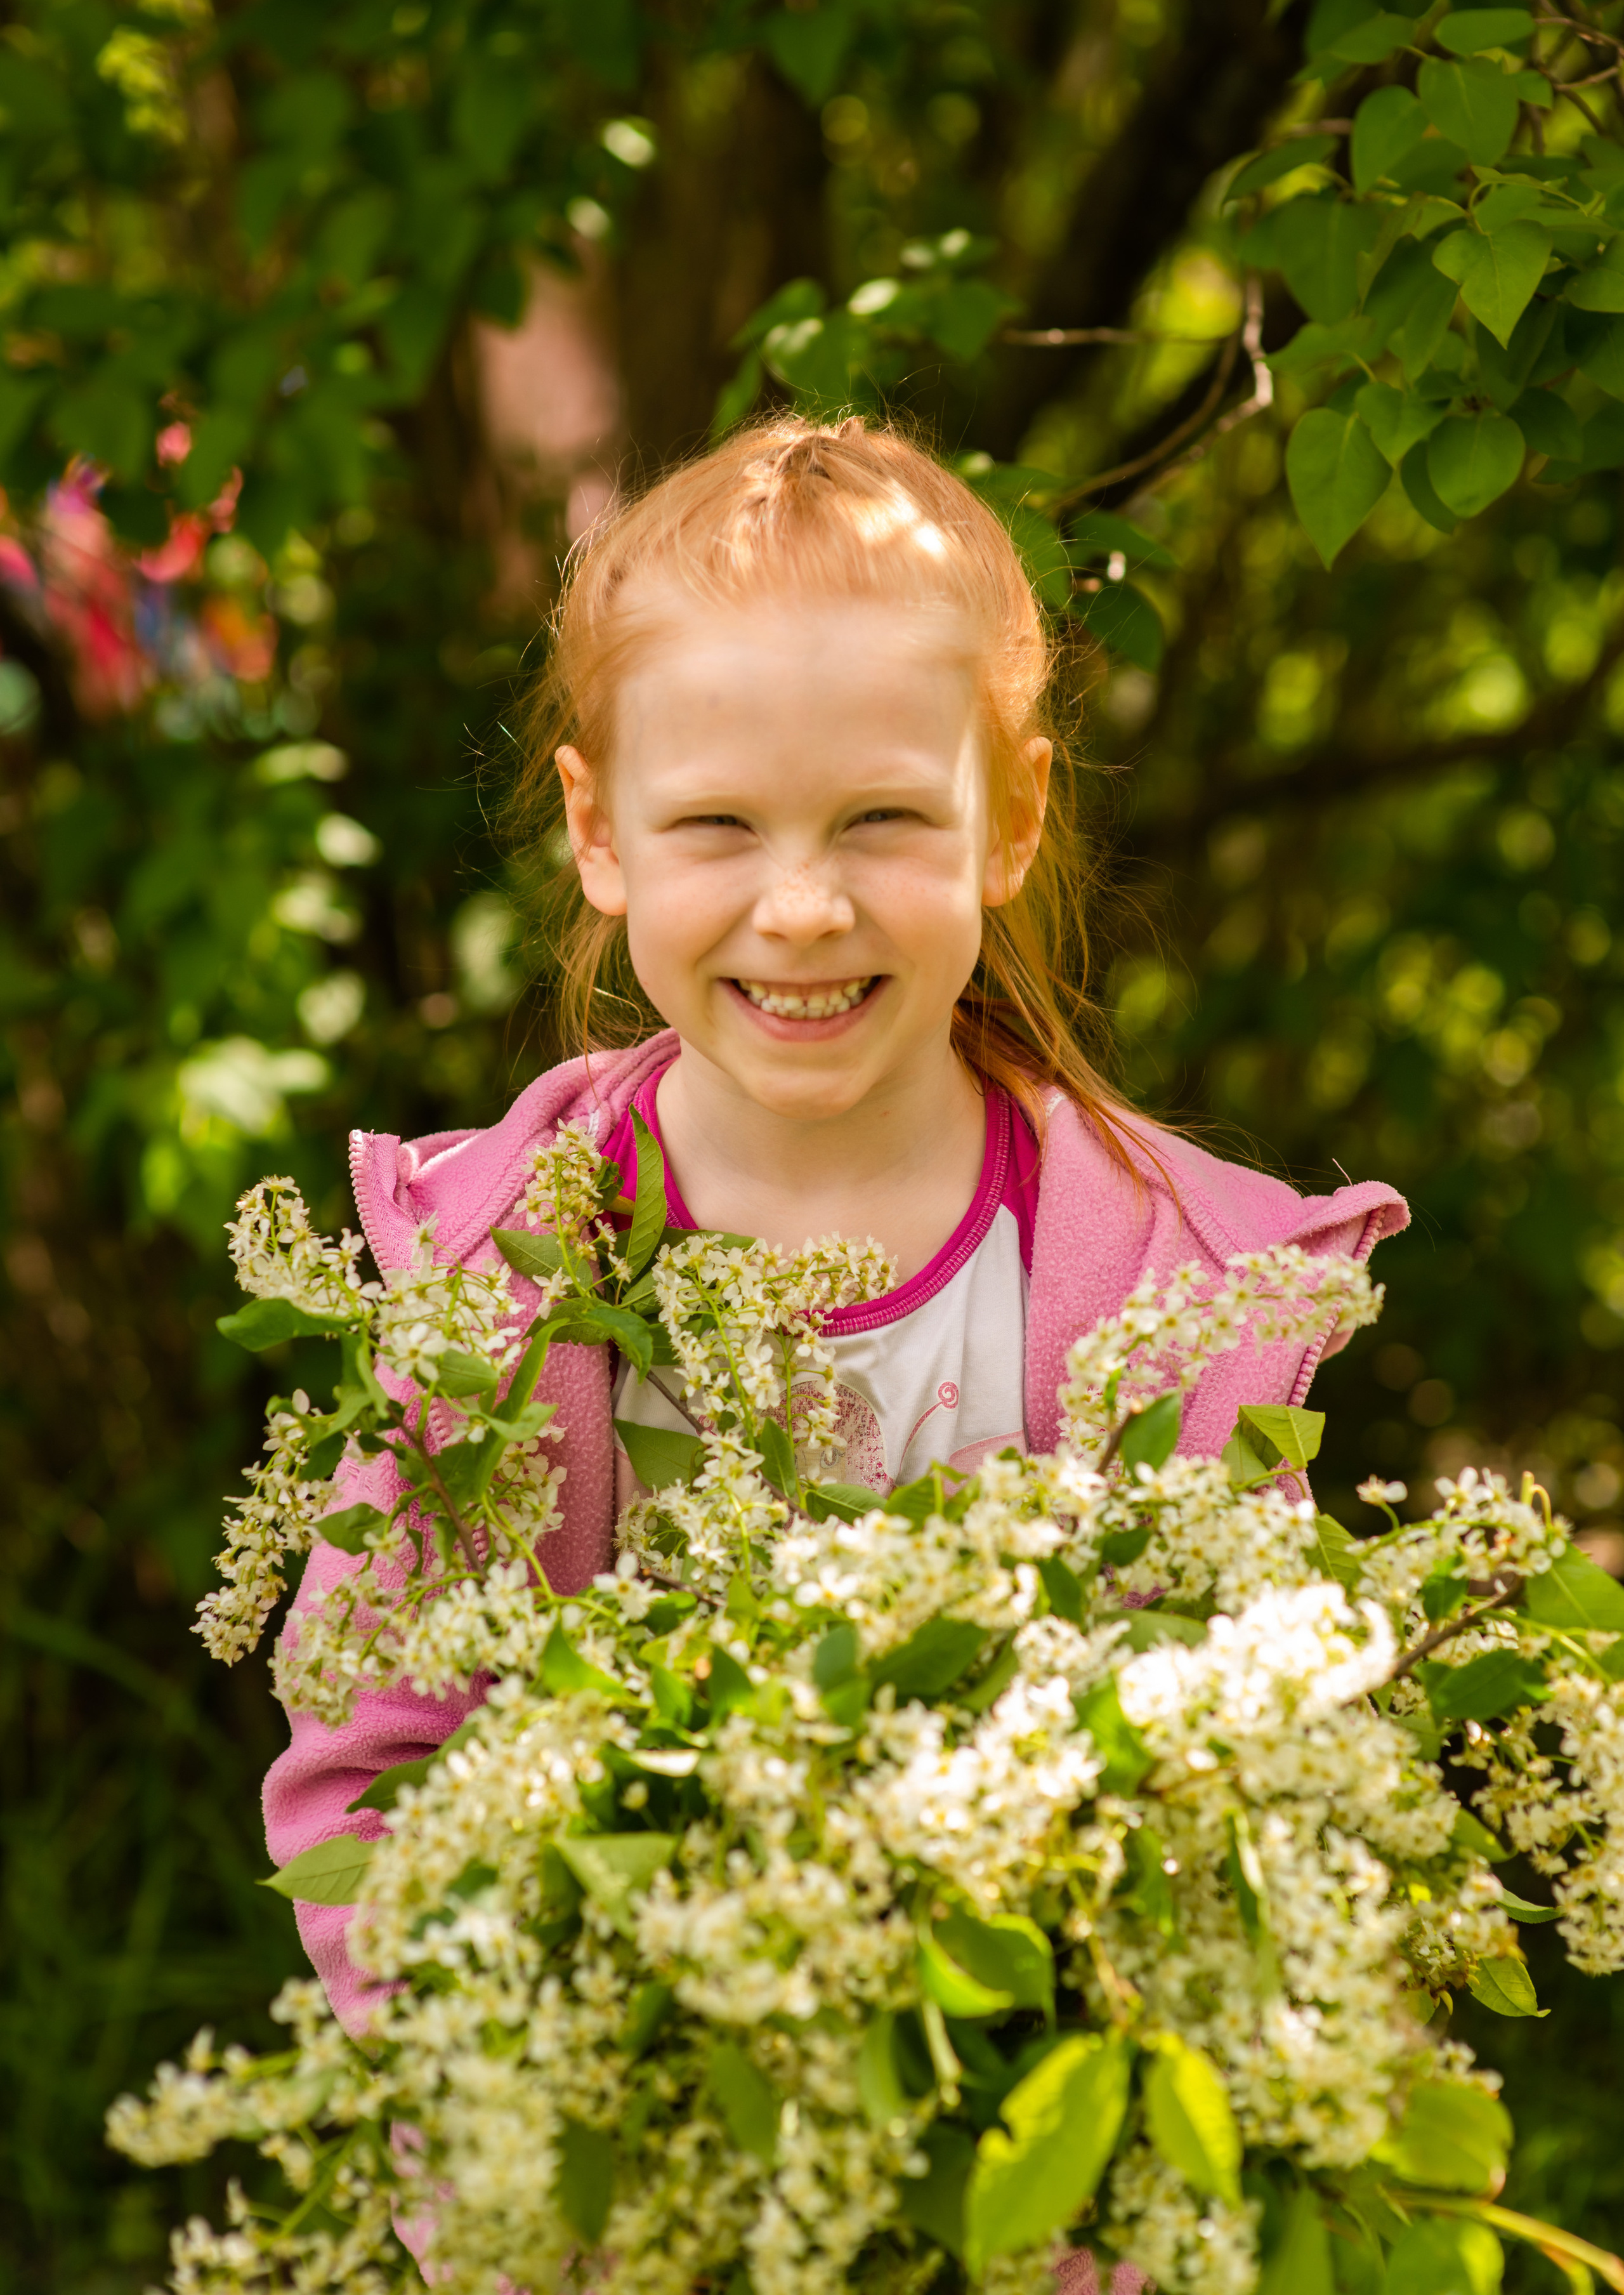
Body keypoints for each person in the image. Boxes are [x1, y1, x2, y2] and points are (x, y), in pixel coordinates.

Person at [263, 416, 1407, 2285]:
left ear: (1012, 817)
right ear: (597, 830)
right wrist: (529, 2163)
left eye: (883, 818)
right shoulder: (501, 1289)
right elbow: (373, 1765)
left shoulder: (1158, 1293)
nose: (802, 905)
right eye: (718, 824)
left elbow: (1219, 1824)